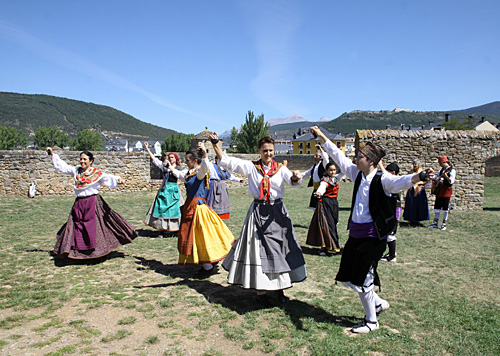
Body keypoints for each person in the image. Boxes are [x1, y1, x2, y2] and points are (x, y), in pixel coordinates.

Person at [310, 126, 433, 333]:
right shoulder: (355, 174)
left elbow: (401, 182)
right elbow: (338, 156)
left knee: (365, 278)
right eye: (357, 156)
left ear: (371, 162)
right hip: (356, 234)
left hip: (373, 236)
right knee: (349, 276)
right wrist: (323, 138)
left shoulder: (383, 180)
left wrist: (419, 175)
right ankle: (377, 303)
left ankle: (371, 322)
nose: (356, 159)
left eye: (360, 156)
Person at [209, 132, 306, 307]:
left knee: (279, 250)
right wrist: (216, 143)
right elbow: (228, 160)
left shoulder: (280, 169)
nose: (268, 154)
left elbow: (292, 181)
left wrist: (295, 177)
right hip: (258, 211)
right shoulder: (251, 167)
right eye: (265, 150)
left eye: (271, 150)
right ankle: (261, 291)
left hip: (277, 213)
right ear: (259, 151)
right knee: (257, 252)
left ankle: (279, 288)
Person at [46, 147, 137, 260]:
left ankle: (96, 252)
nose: (82, 161)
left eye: (85, 159)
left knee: (94, 227)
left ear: (91, 161)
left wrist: (118, 180)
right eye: (81, 159)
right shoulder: (76, 171)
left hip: (92, 203)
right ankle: (77, 252)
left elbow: (108, 178)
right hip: (79, 203)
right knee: (77, 227)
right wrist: (53, 155)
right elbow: (63, 167)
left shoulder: (96, 173)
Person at [169, 142, 234, 278]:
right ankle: (203, 263)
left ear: (194, 160)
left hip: (198, 209)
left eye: (188, 160)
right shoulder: (189, 173)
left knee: (203, 236)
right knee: (195, 236)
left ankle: (207, 265)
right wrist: (170, 167)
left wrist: (205, 153)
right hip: (189, 206)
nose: (186, 162)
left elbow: (205, 166)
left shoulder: (200, 173)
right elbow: (179, 175)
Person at [143, 142, 183, 236]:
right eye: (169, 157)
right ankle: (161, 229)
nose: (170, 158)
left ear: (176, 159)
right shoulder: (164, 167)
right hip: (164, 189)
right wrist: (148, 149)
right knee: (161, 208)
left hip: (173, 190)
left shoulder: (178, 168)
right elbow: (154, 159)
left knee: (175, 209)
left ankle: (175, 229)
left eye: (172, 157)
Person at [306, 161, 344, 255]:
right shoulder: (325, 180)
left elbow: (344, 172)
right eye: (330, 170)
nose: (332, 172)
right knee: (326, 224)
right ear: (327, 171)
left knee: (333, 223)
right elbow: (322, 188)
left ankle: (331, 245)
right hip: (325, 203)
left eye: (334, 170)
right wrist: (319, 193)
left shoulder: (336, 179)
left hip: (334, 203)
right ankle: (325, 246)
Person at [379, 163, 402, 263]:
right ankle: (390, 252)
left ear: (393, 173)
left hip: (394, 212)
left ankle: (392, 255)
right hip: (390, 211)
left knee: (390, 234)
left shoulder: (395, 183)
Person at [428, 155, 456, 231]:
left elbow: (451, 181)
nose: (440, 165)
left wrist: (446, 176)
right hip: (440, 191)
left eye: (441, 163)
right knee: (437, 207)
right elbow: (436, 177)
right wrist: (430, 176)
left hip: (446, 191)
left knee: (445, 208)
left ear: (445, 162)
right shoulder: (441, 170)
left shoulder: (452, 171)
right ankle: (435, 223)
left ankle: (444, 223)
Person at [302, 144, 330, 209]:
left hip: (322, 188)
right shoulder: (315, 166)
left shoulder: (324, 164)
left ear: (321, 157)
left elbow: (326, 158)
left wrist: (321, 149)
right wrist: (298, 175)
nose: (314, 156)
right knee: (314, 207)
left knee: (322, 207)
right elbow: (306, 173)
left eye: (316, 155)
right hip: (315, 188)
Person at [403, 159, 430, 227]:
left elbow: (428, 179)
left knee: (419, 205)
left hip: (419, 190)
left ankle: (418, 219)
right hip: (411, 189)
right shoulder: (410, 172)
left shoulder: (422, 172)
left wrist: (421, 185)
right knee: (411, 204)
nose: (414, 165)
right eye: (414, 164)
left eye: (416, 164)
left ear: (418, 165)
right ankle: (411, 219)